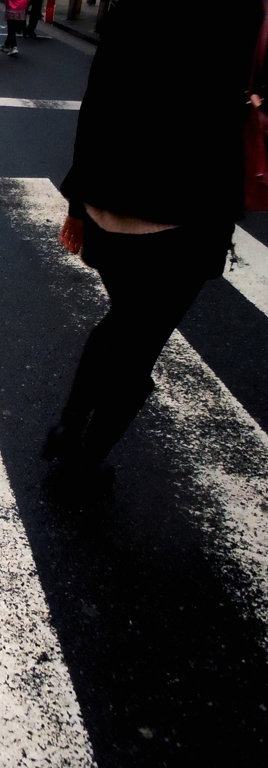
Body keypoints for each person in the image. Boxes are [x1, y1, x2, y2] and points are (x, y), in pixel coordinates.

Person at [44, 0, 263, 482]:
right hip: (186, 212)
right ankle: (86, 455)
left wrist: (77, 204)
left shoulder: (131, 6)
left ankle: (72, 424)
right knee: (141, 340)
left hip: (110, 205)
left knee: (125, 320)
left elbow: (97, 100)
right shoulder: (240, 12)